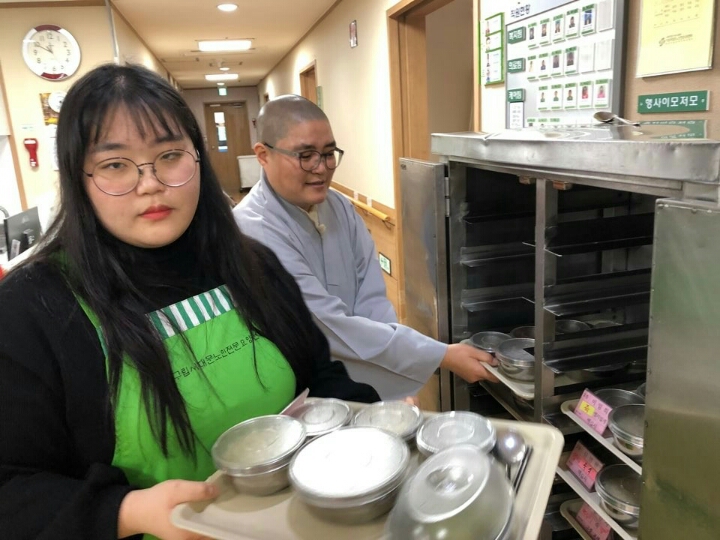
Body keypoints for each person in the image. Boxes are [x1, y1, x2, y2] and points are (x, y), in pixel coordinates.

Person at [0, 65, 379, 540]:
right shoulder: (32, 310)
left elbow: (319, 378)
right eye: (115, 165)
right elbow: (11, 489)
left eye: (169, 156)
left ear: (198, 159)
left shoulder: (253, 265)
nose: (150, 183)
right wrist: (126, 511)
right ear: (80, 178)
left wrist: (373, 422)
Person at [233, 96, 499, 400]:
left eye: (329, 153)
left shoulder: (339, 208)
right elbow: (325, 324)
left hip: (358, 370)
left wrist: (391, 379)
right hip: (300, 385)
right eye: (306, 155)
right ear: (263, 155)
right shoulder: (252, 230)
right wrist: (440, 355)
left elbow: (372, 297)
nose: (322, 168)